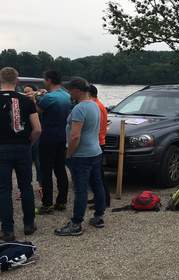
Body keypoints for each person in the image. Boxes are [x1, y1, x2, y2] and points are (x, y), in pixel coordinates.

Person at [55, 78, 106, 236]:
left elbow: (75, 136)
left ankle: (76, 223)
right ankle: (99, 216)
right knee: (97, 184)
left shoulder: (79, 108)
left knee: (80, 189)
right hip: (95, 151)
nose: (69, 93)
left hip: (81, 154)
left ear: (77, 90)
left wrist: (69, 153)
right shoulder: (95, 105)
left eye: (70, 90)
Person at [0, 67, 42, 242]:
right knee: (25, 186)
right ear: (17, 81)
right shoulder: (26, 100)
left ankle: (8, 230)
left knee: (3, 189)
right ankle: (29, 223)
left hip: (1, 148)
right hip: (22, 147)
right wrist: (29, 142)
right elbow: (38, 129)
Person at [35, 71, 71, 214]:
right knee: (60, 169)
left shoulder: (49, 97)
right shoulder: (66, 95)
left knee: (46, 171)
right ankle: (62, 201)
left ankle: (47, 204)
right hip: (63, 136)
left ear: (49, 80)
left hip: (48, 137)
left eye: (45, 79)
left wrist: (34, 98)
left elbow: (36, 110)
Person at [88, 85, 110, 207]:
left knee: (98, 175)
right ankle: (98, 197)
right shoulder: (97, 104)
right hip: (98, 141)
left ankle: (104, 199)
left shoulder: (96, 106)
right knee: (94, 174)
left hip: (98, 142)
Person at [23, 85, 43, 194]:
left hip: (37, 137)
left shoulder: (38, 103)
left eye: (29, 92)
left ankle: (41, 185)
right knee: (26, 162)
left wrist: (34, 100)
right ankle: (25, 188)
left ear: (34, 92)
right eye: (25, 92)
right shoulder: (22, 103)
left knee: (38, 162)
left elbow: (40, 116)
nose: (27, 94)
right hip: (27, 137)